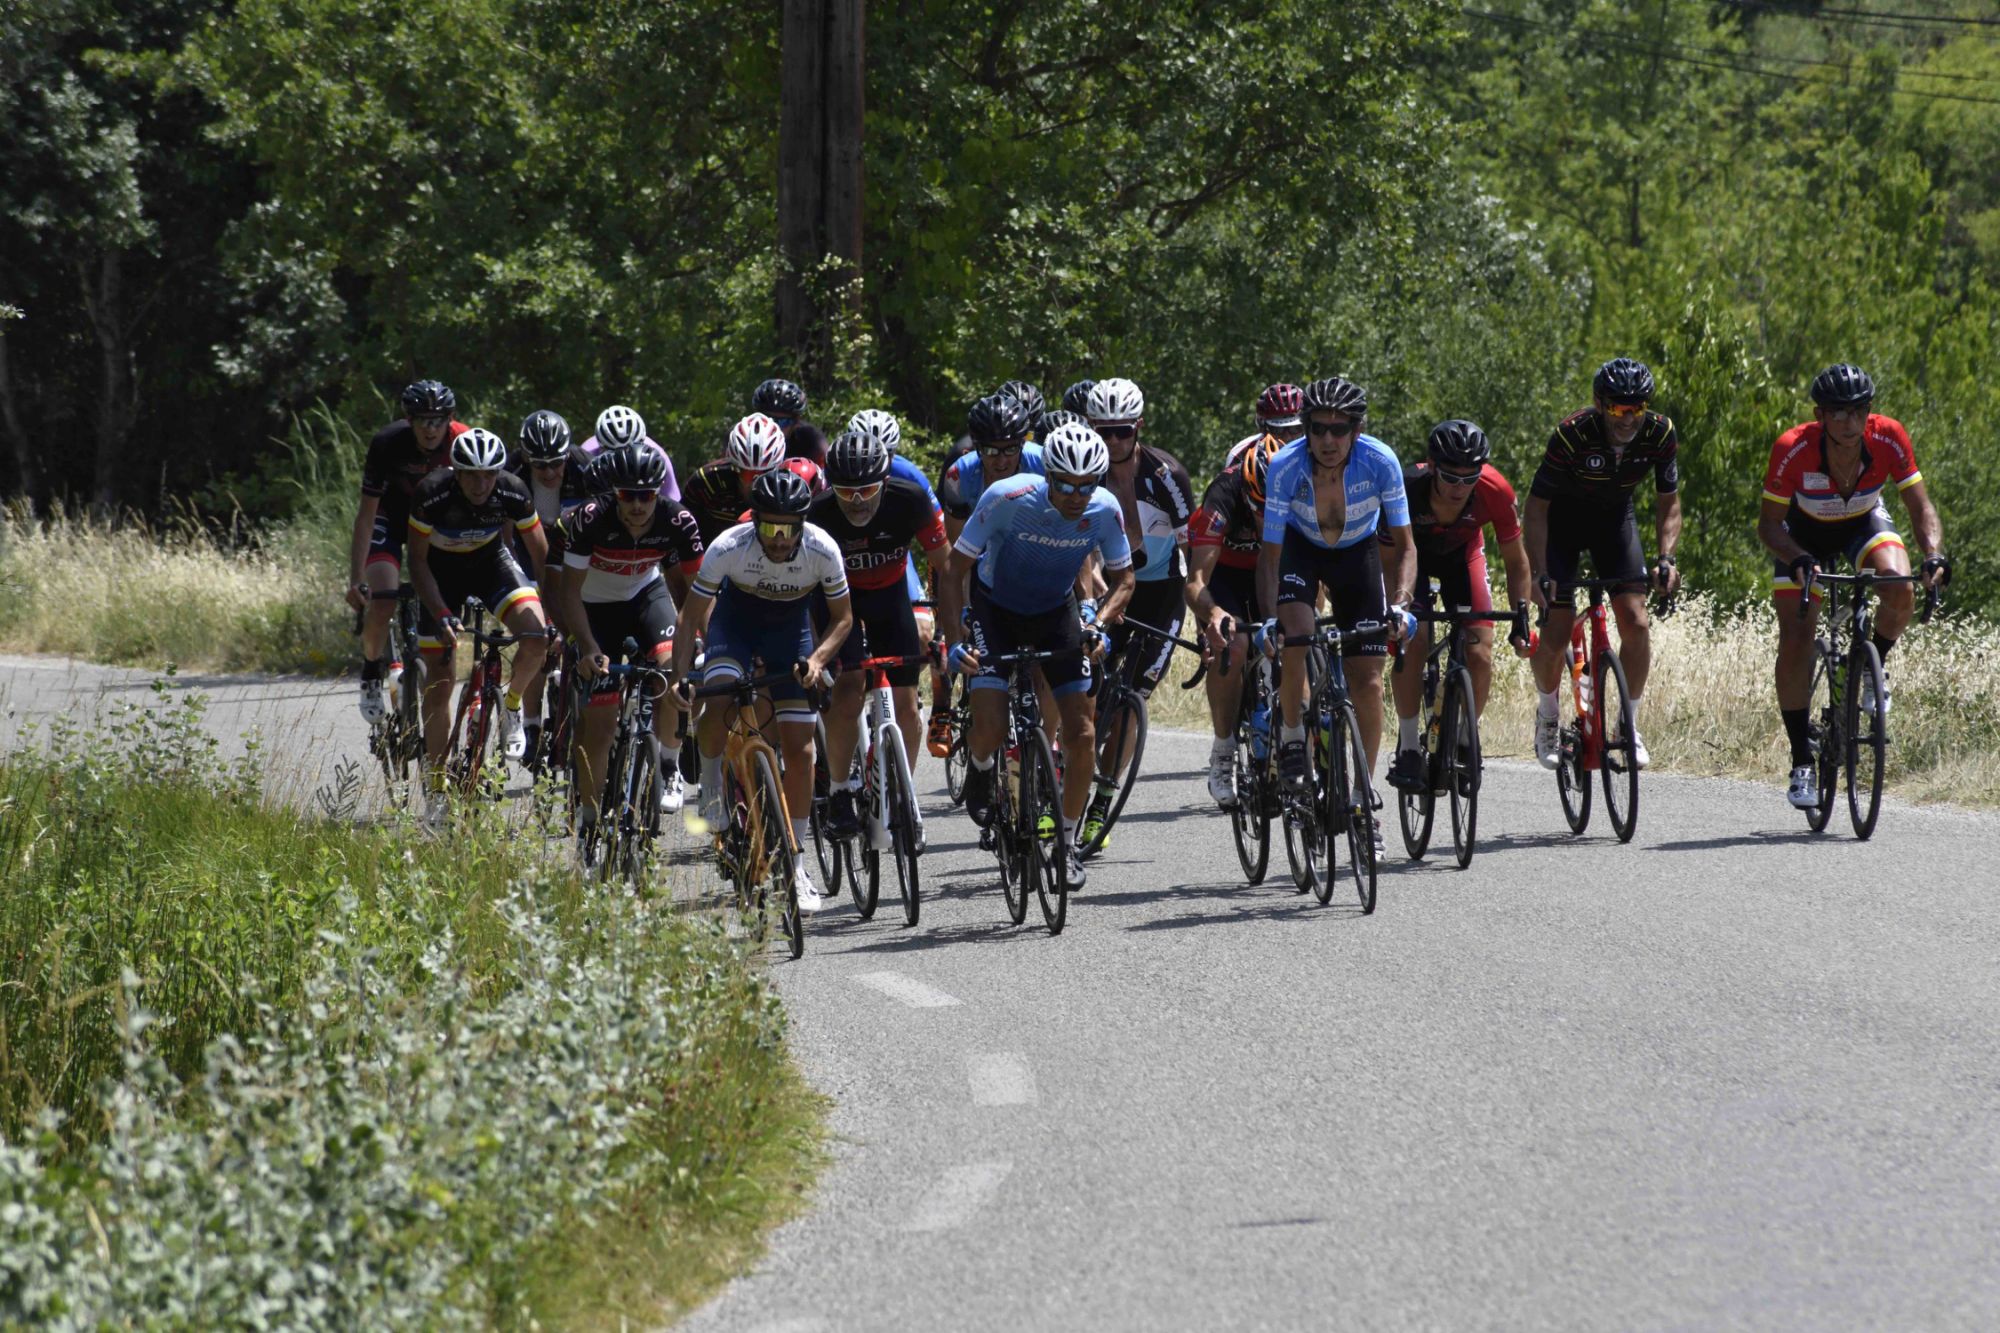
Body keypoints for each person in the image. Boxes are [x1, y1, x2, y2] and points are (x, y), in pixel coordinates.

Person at [944, 421, 1135, 889]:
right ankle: (982, 768)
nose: (1076, 496)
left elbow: (1125, 580)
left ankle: (1066, 845)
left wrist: (1098, 623)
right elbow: (952, 572)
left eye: (1086, 486)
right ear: (1047, 475)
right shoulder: (1006, 498)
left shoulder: (1105, 509)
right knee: (989, 726)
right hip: (995, 611)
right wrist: (954, 641)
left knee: (1082, 731)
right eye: (1065, 485)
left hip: (1056, 612)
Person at [1757, 363, 1949, 810]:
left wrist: (1933, 554)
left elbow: (1920, 506)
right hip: (1801, 536)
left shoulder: (1889, 437)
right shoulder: (1792, 447)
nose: (1849, 422)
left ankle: (1869, 665)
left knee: (1899, 587)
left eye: (1858, 411)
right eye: (1838, 413)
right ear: (1820, 415)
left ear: (1869, 412)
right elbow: (1768, 525)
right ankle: (1801, 759)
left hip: (1862, 521)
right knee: (1797, 637)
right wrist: (1797, 558)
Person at [672, 468, 853, 913]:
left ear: (802, 525)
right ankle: (710, 783)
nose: (779, 539)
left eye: (788, 529)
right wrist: (680, 677)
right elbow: (689, 616)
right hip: (734, 628)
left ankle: (796, 864)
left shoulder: (822, 549)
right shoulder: (729, 546)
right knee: (719, 694)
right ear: (754, 522)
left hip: (790, 637)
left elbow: (843, 618)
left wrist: (817, 661)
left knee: (802, 749)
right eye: (770, 528)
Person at [1256, 376, 1414, 818]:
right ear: (1306, 429)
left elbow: (1405, 547)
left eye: (1339, 429)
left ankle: (1363, 794)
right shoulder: (1285, 465)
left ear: (1356, 431)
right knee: (1296, 637)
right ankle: (1292, 737)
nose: (1328, 440)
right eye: (1318, 428)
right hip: (1301, 551)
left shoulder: (1380, 461)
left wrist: (1400, 605)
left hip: (1357, 555)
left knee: (1368, 681)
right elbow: (1270, 556)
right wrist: (1270, 618)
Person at [1522, 358, 1683, 771]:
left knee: (1637, 622)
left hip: (1614, 522)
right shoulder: (1572, 434)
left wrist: (1666, 558)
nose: (1628, 418)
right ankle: (1548, 715)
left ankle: (1628, 724)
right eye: (1618, 408)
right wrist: (1539, 572)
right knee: (1556, 629)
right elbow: (1536, 508)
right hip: (1562, 525)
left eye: (1637, 408)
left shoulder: (1660, 432)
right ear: (1599, 404)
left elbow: (1669, 502)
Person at [811, 432, 959, 841]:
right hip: (836, 603)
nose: (858, 501)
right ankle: (839, 792)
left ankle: (901, 794)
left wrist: (947, 635)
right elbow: (803, 586)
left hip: (890, 597)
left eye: (868, 490)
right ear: (832, 488)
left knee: (908, 707)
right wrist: (815, 652)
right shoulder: (818, 513)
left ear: (886, 482)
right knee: (848, 689)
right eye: (846, 492)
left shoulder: (910, 499)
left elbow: (947, 570)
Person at [551, 445, 705, 828]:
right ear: (614, 493)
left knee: (671, 672)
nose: (637, 505)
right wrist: (586, 646)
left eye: (646, 495)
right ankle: (589, 821)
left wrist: (702, 640)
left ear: (658, 493)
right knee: (601, 724)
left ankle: (668, 763)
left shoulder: (678, 520)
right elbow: (568, 591)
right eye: (628, 495)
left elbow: (696, 591)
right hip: (595, 608)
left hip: (645, 597)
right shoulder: (590, 518)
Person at [1382, 420, 1534, 793]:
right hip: (1410, 559)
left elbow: (1516, 562)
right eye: (1450, 477)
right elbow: (1389, 560)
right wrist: (1397, 610)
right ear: (1432, 466)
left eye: (1469, 479)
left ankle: (1466, 738)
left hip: (1461, 557)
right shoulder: (1405, 487)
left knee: (1479, 650)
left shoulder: (1495, 490)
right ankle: (1408, 746)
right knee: (1413, 639)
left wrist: (1522, 616)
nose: (1459, 488)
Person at [1078, 376, 1195, 848]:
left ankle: (1102, 802)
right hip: (1109, 590)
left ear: (1138, 427)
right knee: (1085, 688)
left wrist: (1206, 613)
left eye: (1121, 431)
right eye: (1102, 432)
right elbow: (1078, 547)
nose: (1111, 441)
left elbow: (1193, 553)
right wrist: (1097, 596)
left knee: (1133, 699)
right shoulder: (1084, 473)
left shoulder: (1167, 476)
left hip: (1162, 594)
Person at [405, 428, 550, 774]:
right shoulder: (431, 493)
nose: (481, 484)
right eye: (471, 474)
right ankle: (437, 784)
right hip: (440, 572)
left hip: (490, 564)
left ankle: (512, 705)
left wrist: (553, 615)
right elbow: (417, 562)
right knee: (440, 686)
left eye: (489, 474)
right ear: (456, 473)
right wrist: (440, 613)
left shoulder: (513, 490)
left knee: (537, 637)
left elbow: (541, 557)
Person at [927, 392, 1048, 755]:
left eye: (1010, 449)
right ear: (976, 447)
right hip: (978, 563)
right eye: (991, 451)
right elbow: (956, 559)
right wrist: (964, 611)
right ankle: (948, 713)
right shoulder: (959, 476)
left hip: (1030, 561)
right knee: (958, 631)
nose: (1001, 460)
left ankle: (1048, 744)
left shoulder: (1044, 464)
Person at [346, 379, 467, 722]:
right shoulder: (387, 443)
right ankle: (372, 670)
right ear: (409, 420)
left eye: (438, 420)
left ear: (450, 419)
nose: (430, 429)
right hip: (391, 519)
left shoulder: (461, 442)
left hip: (434, 525)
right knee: (383, 599)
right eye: (422, 420)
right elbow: (366, 515)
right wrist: (356, 579)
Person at [1186, 434, 1284, 805]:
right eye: (1258, 508)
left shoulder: (1300, 489)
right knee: (1235, 644)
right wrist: (1213, 615)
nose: (1263, 518)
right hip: (1223, 575)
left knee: (1291, 642)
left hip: (1268, 570)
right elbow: (1195, 582)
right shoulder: (1222, 495)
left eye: (1272, 510)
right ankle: (1223, 749)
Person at [510, 408, 597, 759]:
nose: (549, 472)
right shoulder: (512, 473)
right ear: (526, 459)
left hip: (572, 552)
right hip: (526, 552)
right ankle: (531, 724)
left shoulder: (586, 468)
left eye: (556, 463)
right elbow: (504, 540)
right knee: (538, 634)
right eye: (540, 465)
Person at [682, 412, 826, 547]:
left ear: (778, 468)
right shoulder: (706, 483)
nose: (754, 482)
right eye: (747, 473)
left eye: (765, 473)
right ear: (733, 467)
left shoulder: (793, 485)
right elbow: (683, 535)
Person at [579, 404, 681, 503]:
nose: (622, 460)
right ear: (601, 448)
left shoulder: (658, 459)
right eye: (613, 455)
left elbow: (673, 502)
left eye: (629, 453)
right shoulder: (585, 455)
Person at [752, 377, 828, 468]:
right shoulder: (740, 438)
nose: (774, 427)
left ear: (796, 423)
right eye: (768, 419)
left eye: (783, 422)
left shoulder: (812, 441)